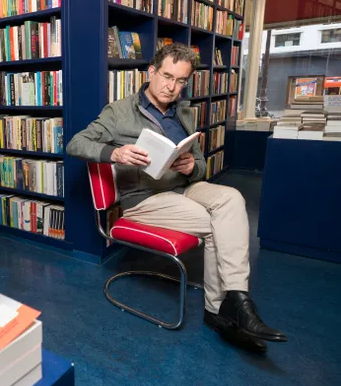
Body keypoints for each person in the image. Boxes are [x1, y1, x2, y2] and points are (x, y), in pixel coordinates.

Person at [66, 43, 286, 352]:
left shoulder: (183, 112)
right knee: (219, 225)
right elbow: (76, 144)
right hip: (144, 198)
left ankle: (236, 299)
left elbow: (201, 166)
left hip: (183, 187)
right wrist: (115, 153)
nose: (172, 87)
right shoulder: (119, 111)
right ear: (151, 72)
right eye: (167, 77)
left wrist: (191, 166)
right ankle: (220, 310)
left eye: (181, 81)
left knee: (232, 198)